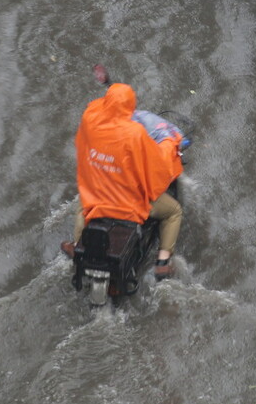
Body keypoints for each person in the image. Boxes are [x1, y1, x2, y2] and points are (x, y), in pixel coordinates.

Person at [61, 82, 184, 278]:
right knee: (174, 212)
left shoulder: (90, 121)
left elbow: (93, 109)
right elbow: (156, 162)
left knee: (83, 202)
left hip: (99, 198)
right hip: (129, 205)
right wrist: (171, 142)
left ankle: (77, 245)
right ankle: (163, 261)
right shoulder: (135, 134)